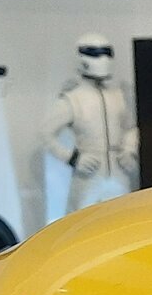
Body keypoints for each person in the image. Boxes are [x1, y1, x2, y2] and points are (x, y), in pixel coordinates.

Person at [40, 32, 139, 216]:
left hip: (119, 170)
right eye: (95, 53)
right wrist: (72, 158)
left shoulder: (117, 96)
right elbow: (45, 133)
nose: (102, 58)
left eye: (106, 52)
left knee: (124, 219)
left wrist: (129, 149)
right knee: (83, 221)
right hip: (89, 173)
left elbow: (131, 127)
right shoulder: (73, 98)